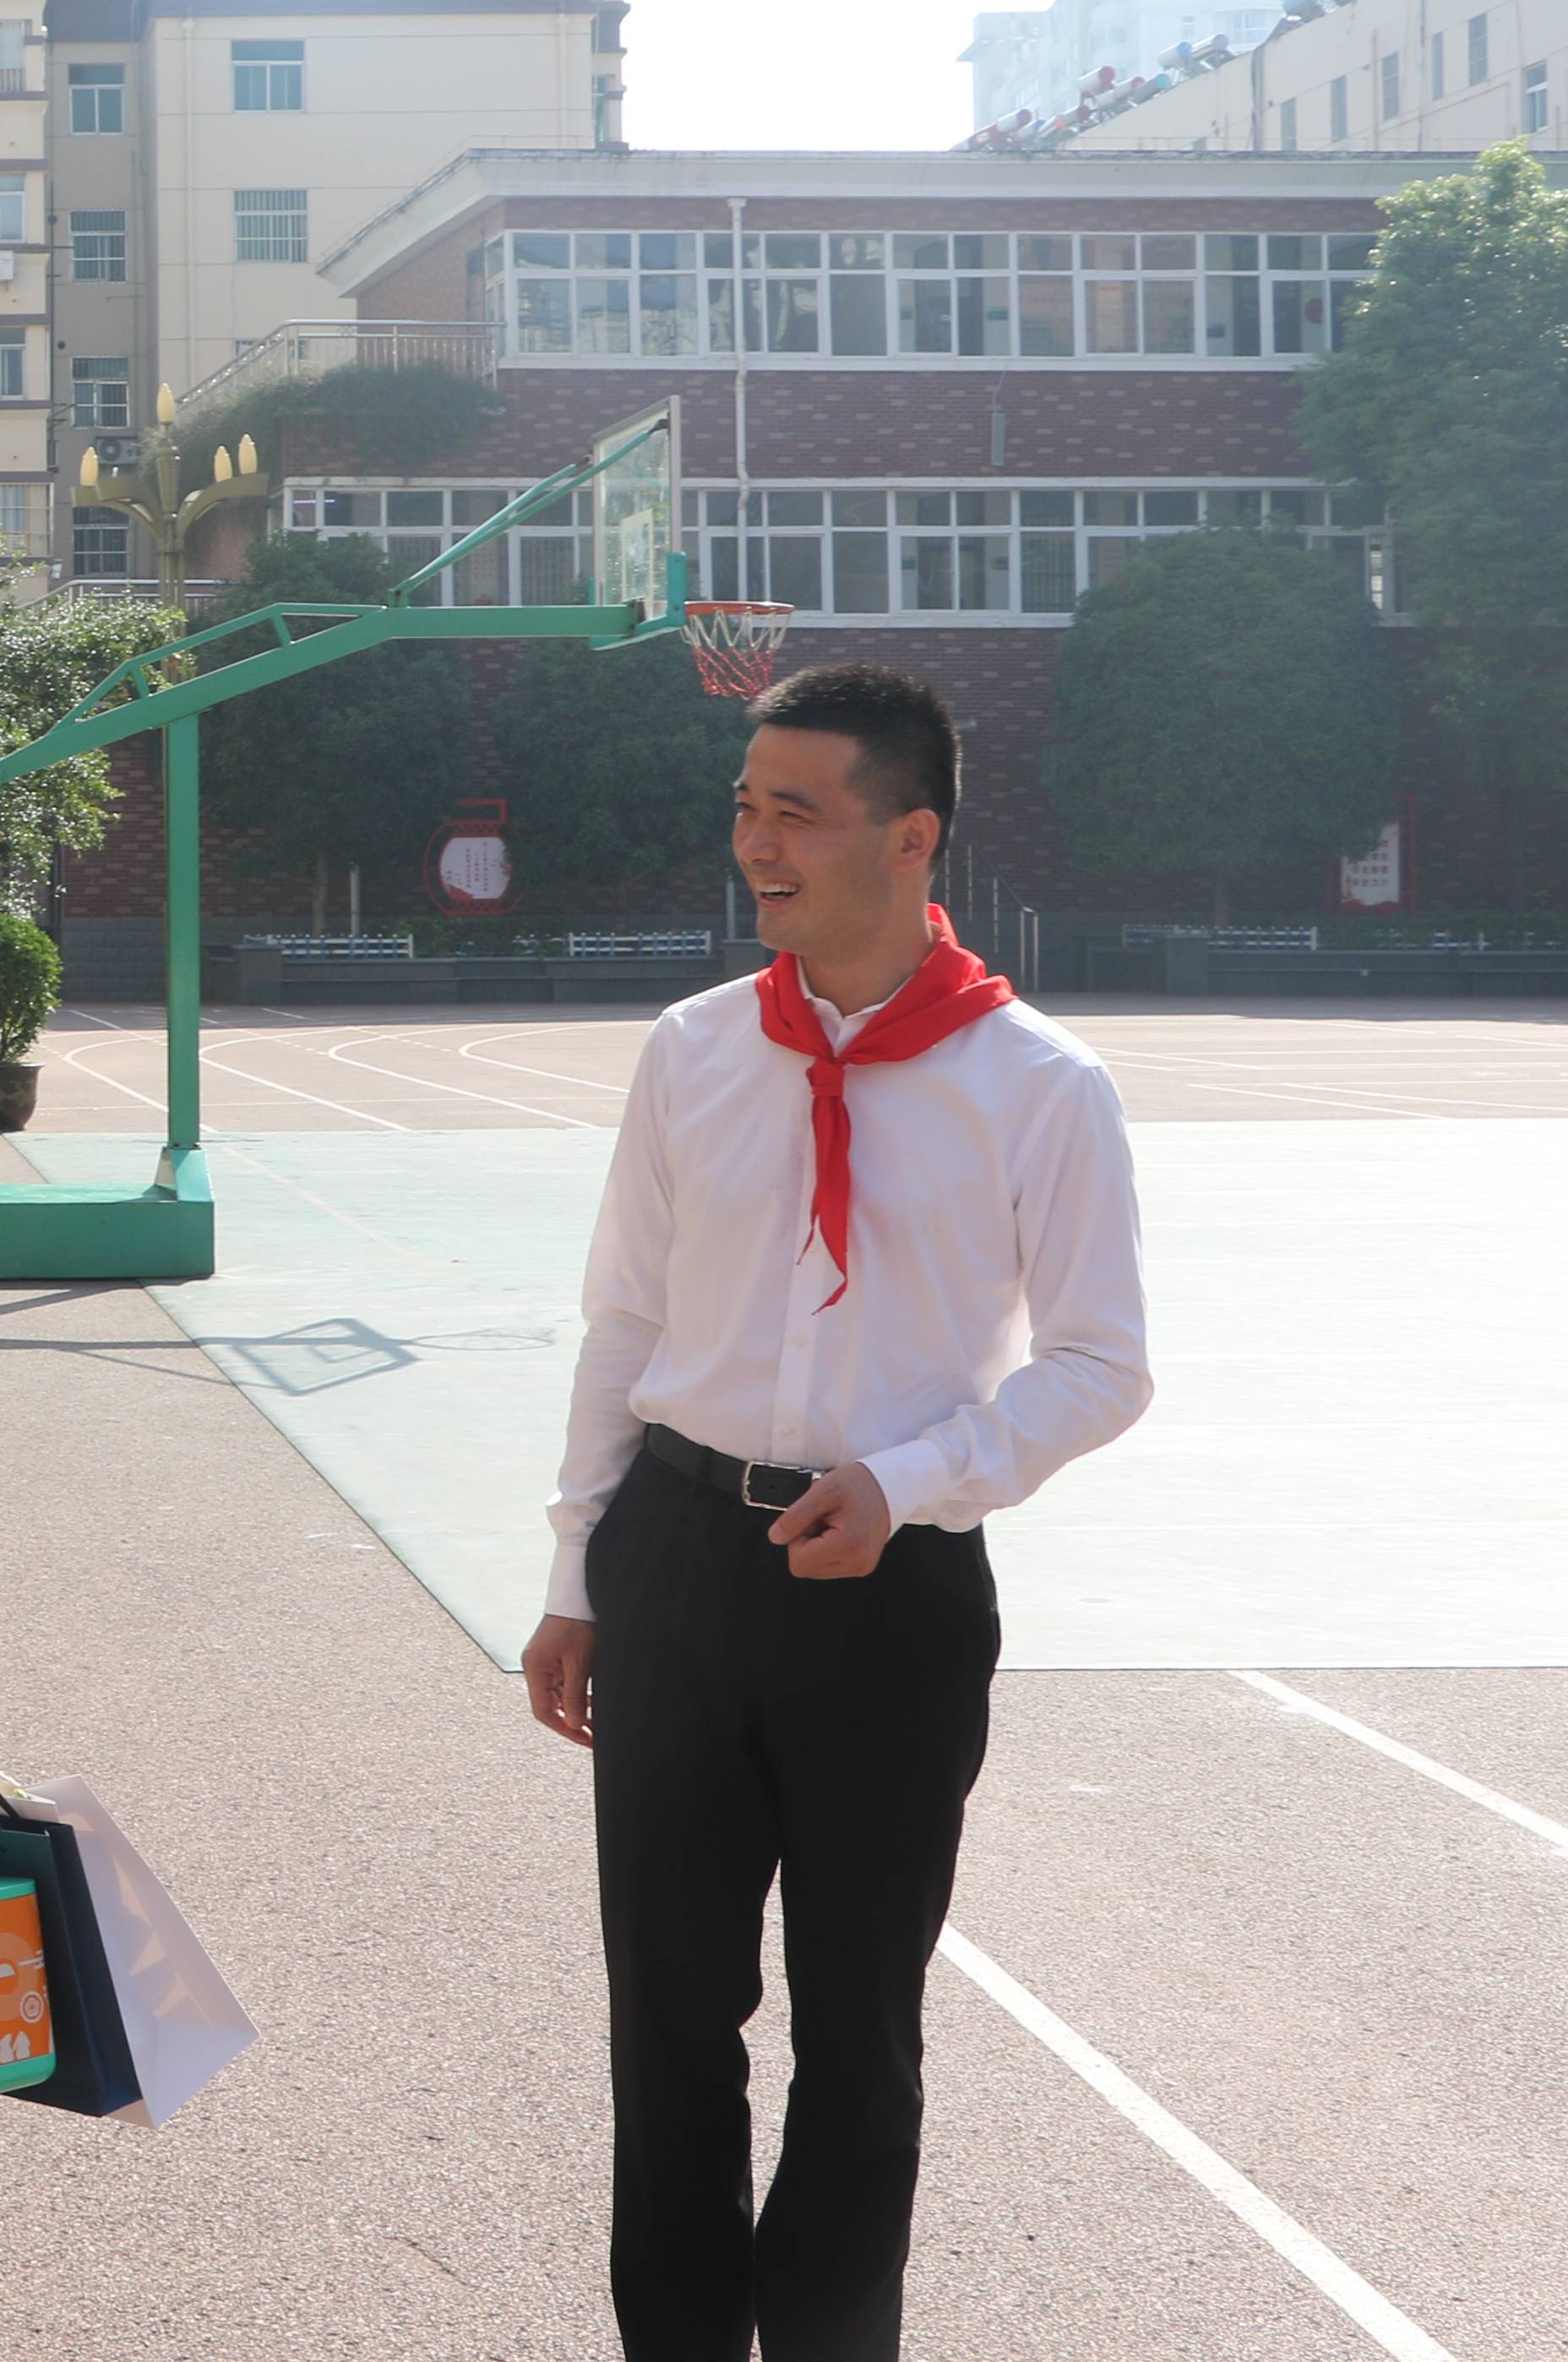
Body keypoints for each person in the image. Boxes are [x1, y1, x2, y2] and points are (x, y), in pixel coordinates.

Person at [519, 663, 1151, 2362]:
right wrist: (578, 1571)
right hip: (677, 1560)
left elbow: (1103, 1366)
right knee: (666, 2017)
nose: (756, 845)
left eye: (796, 810)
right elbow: (626, 1327)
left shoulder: (1041, 1087)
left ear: (912, 835)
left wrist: (914, 1485)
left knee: (859, 2030)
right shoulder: (693, 1055)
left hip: (894, 1594)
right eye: (746, 805)